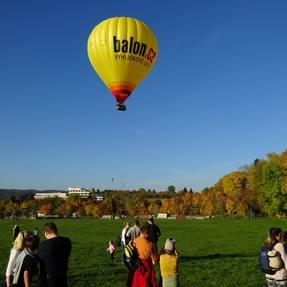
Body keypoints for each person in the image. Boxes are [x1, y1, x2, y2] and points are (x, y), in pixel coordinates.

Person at [37, 222, 72, 287]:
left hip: (49, 279)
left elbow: (38, 259)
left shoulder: (44, 245)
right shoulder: (67, 241)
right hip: (63, 276)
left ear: (46, 232)